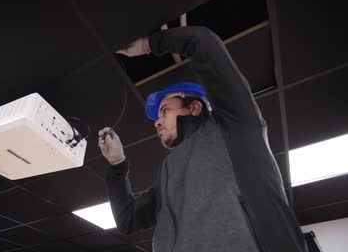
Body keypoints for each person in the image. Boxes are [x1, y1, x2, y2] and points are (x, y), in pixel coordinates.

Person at [98, 26, 307, 252]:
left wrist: (150, 44)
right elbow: (127, 219)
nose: (156, 122)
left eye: (165, 111)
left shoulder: (234, 128)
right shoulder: (166, 173)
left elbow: (203, 43)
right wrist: (117, 166)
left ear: (195, 108)